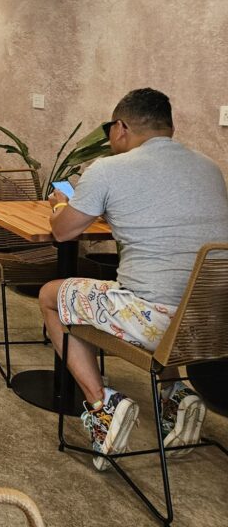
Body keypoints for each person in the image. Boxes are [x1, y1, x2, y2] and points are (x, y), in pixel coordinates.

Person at [39, 88, 228, 471]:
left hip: (154, 319)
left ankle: (102, 406)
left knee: (50, 296)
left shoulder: (108, 169)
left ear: (121, 127)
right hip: (212, 321)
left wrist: (60, 206)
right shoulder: (209, 167)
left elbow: (62, 232)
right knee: (162, 289)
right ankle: (174, 397)